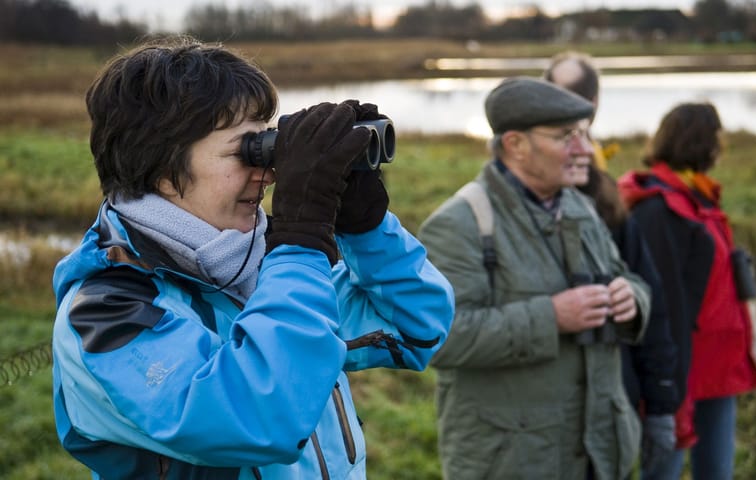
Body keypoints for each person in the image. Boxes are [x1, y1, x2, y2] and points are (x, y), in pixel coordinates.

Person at [50, 36, 454, 479]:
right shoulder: (107, 314)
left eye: (268, 145)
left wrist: (365, 227)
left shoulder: (258, 272)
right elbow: (259, 416)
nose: (268, 172)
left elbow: (419, 327)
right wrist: (301, 240)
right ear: (164, 171)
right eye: (247, 151)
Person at [418, 76, 652, 480]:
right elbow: (440, 340)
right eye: (567, 137)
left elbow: (627, 278)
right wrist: (551, 318)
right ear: (516, 145)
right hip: (513, 463)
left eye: (584, 134)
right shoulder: (459, 224)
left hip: (601, 454)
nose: (585, 150)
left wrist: (632, 299)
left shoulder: (581, 206)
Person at [545, 51, 681, 478]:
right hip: (540, 417)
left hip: (611, 402)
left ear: (594, 104)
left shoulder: (604, 193)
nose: (563, 105)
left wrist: (660, 403)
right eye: (553, 93)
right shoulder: (499, 200)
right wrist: (547, 317)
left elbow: (649, 294)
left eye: (574, 95)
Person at [617, 102, 756, 480]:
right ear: (703, 142)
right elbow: (660, 300)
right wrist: (665, 381)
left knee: (717, 472)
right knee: (663, 472)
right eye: (718, 138)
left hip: (717, 364)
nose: (722, 146)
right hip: (680, 368)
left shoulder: (698, 196)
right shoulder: (658, 209)